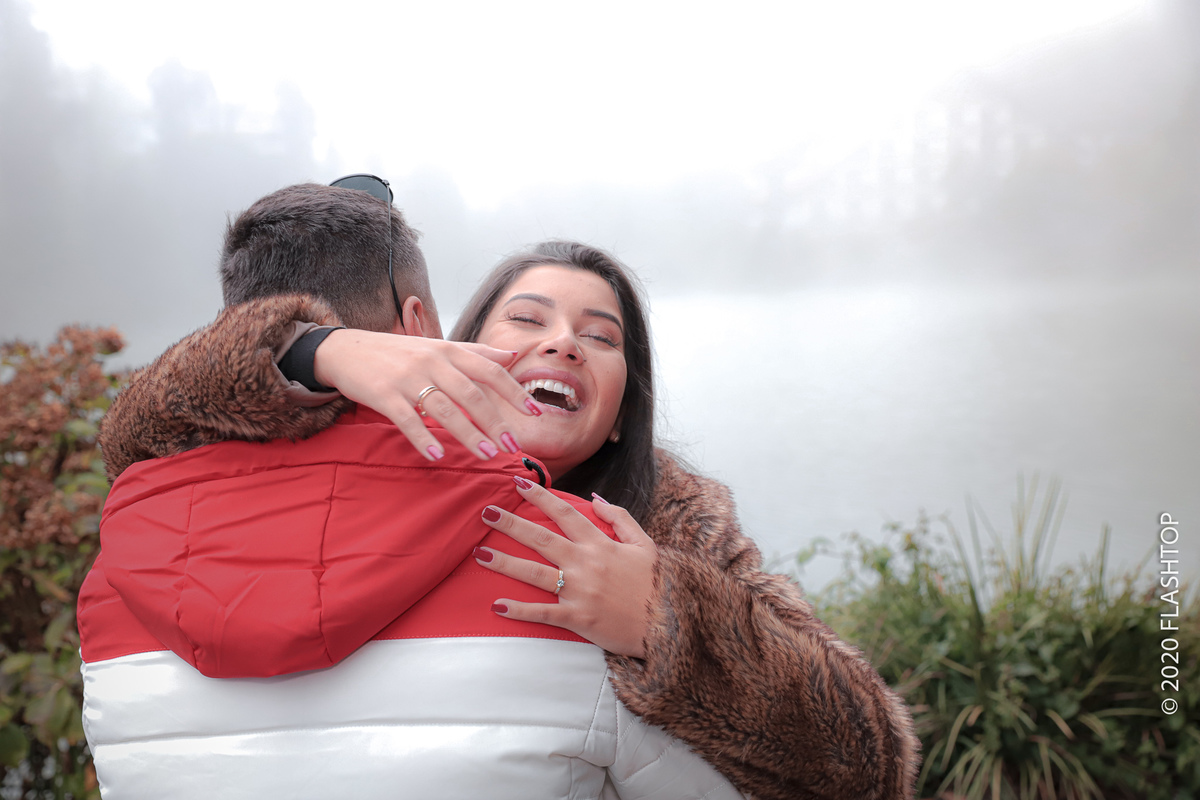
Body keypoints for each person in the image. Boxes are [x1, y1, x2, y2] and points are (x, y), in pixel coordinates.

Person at [91, 180, 921, 800]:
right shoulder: (342, 494)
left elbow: (869, 765)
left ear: (622, 414)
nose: (562, 345)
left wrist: (666, 620)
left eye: (601, 338)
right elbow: (137, 436)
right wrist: (315, 349)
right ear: (432, 353)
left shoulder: (678, 529)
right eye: (526, 320)